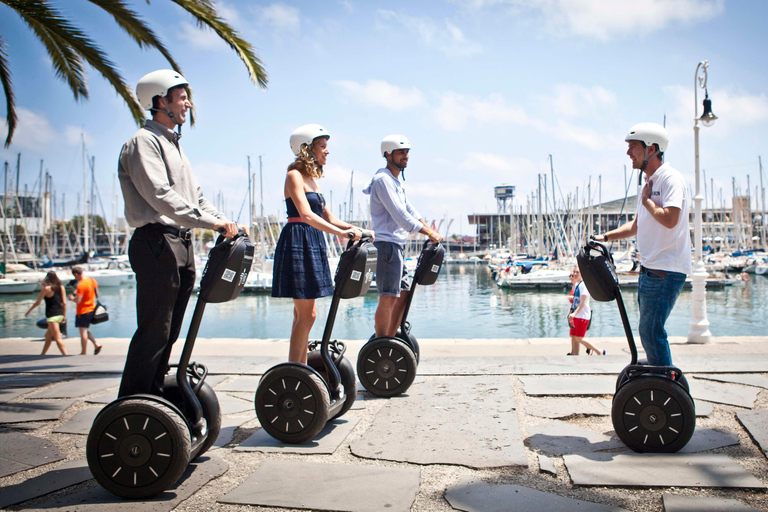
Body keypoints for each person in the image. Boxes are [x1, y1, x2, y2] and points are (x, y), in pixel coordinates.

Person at [117, 69, 239, 398]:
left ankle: (154, 398)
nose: (188, 104)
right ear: (160, 102)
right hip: (156, 242)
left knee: (170, 332)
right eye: (182, 98)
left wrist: (224, 221)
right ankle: (133, 403)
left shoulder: (174, 146)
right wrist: (210, 224)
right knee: (155, 331)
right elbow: (161, 196)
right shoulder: (143, 142)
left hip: (180, 243)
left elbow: (196, 199)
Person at [272, 124, 373, 364]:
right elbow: (306, 214)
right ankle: (296, 370)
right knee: (307, 315)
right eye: (322, 146)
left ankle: (299, 367)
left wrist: (357, 229)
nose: (327, 151)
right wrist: (342, 234)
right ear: (307, 149)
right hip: (298, 239)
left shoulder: (313, 180)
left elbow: (329, 218)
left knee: (304, 315)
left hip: (313, 240)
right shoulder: (294, 176)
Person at [595, 123, 691, 366]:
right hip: (650, 270)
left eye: (633, 147)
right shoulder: (648, 182)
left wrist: (647, 200)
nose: (628, 153)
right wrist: (605, 237)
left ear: (652, 149)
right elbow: (637, 225)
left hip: (665, 270)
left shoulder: (670, 179)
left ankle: (665, 382)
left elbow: (670, 219)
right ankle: (659, 377)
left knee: (651, 331)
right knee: (647, 330)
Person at [363, 134, 443, 338]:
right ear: (387, 154)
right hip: (386, 246)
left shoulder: (395, 182)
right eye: (400, 152)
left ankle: (389, 339)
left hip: (396, 247)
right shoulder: (383, 180)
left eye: (407, 152)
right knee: (388, 296)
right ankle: (381, 343)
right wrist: (429, 233)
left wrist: (431, 231)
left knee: (404, 293)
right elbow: (400, 216)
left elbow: (410, 210)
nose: (405, 156)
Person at [25, 271, 67, 355]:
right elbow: (64, 303)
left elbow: (37, 303)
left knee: (57, 338)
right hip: (60, 314)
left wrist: (28, 311)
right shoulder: (61, 287)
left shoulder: (46, 289)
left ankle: (65, 355)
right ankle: (42, 355)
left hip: (52, 315)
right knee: (48, 337)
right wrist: (64, 316)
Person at [567, 267, 603, 356]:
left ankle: (598, 351)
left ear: (582, 274)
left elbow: (583, 303)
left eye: (577, 272)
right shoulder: (577, 284)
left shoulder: (584, 285)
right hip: (576, 315)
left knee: (579, 338)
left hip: (582, 315)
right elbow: (577, 299)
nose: (575, 274)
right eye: (574, 272)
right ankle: (574, 353)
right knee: (573, 336)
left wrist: (574, 314)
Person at [68, 266, 102, 355]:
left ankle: (83, 352)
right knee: (85, 330)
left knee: (82, 332)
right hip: (92, 308)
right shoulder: (92, 280)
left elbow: (78, 300)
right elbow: (96, 293)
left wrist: (71, 298)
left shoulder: (81, 285)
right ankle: (96, 344)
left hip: (83, 310)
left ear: (76, 274)